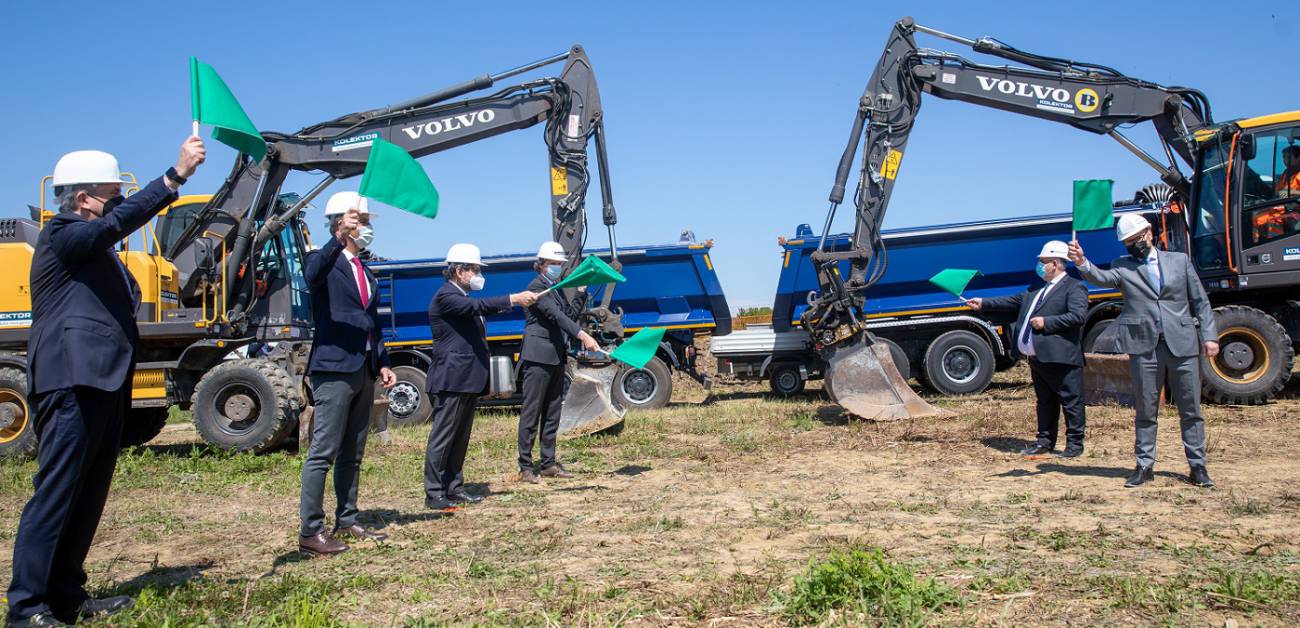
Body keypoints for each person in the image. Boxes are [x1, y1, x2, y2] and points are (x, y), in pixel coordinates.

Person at [8, 138, 205, 627]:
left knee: (88, 491)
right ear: (82, 200)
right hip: (71, 379)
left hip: (101, 380)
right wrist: (173, 178)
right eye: (112, 196)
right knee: (57, 491)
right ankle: (26, 606)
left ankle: (67, 594)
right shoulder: (65, 235)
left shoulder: (96, 246)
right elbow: (118, 224)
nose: (118, 205)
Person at [1068, 215, 1220, 488]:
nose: (1132, 245)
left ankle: (1198, 467)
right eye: (1127, 242)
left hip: (1183, 344)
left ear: (1149, 233)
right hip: (1144, 348)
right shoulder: (1122, 266)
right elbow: (1101, 277)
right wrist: (1082, 262)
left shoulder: (1179, 261)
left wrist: (1210, 337)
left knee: (1191, 409)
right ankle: (1144, 466)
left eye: (1135, 239)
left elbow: (1200, 301)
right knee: (1146, 409)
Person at [297, 192, 398, 556]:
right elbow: (312, 275)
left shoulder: (365, 271)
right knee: (324, 450)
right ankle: (310, 531)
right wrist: (338, 237)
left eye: (367, 222)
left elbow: (373, 322)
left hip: (363, 368)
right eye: (363, 221)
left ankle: (347, 518)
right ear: (342, 221)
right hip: (334, 367)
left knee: (353, 452)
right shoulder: (322, 260)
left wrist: (383, 362)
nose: (367, 228)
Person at [424, 244, 538, 510]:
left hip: (465, 380)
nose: (477, 274)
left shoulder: (460, 295)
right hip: (450, 380)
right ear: (458, 270)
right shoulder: (446, 296)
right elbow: (479, 306)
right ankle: (434, 492)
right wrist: (513, 299)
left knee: (460, 437)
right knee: (443, 437)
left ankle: (454, 487)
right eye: (474, 269)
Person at [967, 241, 1089, 457]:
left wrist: (1047, 322)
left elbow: (1078, 316)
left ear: (1055, 263)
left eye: (1042, 262)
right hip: (1038, 358)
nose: (1039, 266)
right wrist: (983, 303)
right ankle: (1044, 441)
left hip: (1062, 357)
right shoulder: (1035, 290)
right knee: (1045, 402)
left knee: (1071, 401)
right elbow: (1012, 303)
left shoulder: (1074, 287)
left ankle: (1074, 445)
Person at [517, 242, 602, 483]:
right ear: (542, 264)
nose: (558, 267)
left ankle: (548, 463)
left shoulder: (554, 289)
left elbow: (567, 316)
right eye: (554, 264)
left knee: (553, 411)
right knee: (532, 412)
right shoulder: (537, 288)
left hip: (555, 357)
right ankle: (525, 467)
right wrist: (583, 335)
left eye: (559, 264)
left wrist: (582, 292)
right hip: (537, 357)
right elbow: (556, 317)